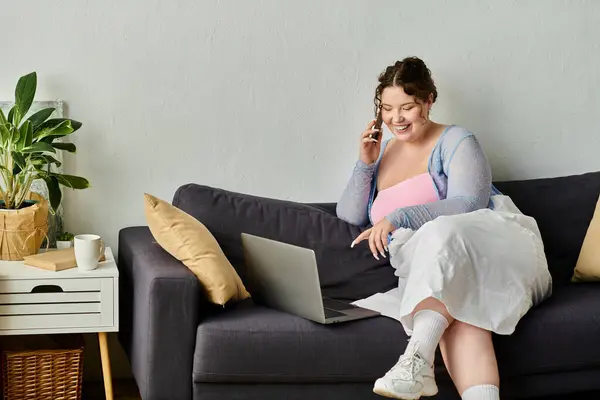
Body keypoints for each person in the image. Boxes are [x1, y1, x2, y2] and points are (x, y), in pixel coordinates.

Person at [336, 57, 552, 400]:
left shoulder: (456, 140)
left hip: (492, 245)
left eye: (407, 107)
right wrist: (365, 163)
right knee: (462, 318)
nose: (396, 119)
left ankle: (415, 358)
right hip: (434, 270)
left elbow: (471, 204)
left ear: (428, 101)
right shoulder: (383, 152)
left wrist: (400, 217)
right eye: (388, 109)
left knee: (439, 232)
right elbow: (349, 215)